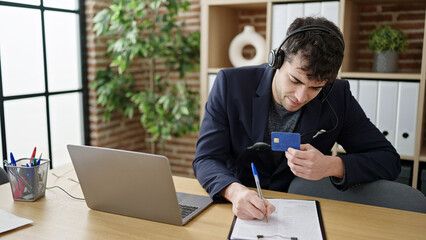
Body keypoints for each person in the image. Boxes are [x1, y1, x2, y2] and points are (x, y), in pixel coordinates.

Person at [193, 17, 401, 220]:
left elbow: (388, 159)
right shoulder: (231, 84)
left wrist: (331, 165)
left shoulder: (338, 96)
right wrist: (234, 192)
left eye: (316, 88)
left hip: (303, 212)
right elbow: (206, 158)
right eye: (295, 80)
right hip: (237, 207)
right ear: (278, 60)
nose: (301, 97)